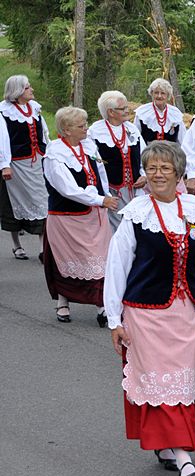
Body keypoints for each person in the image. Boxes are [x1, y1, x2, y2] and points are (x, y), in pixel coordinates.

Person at [104, 141, 195, 476]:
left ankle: (167, 446)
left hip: (189, 314)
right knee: (159, 382)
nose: (158, 174)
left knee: (179, 384)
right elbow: (116, 267)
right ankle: (184, 458)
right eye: (151, 168)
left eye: (165, 168)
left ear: (178, 173)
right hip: (145, 315)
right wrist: (114, 320)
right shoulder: (135, 213)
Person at [42, 107, 118, 325]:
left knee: (100, 259)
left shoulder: (88, 146)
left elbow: (100, 173)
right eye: (80, 125)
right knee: (69, 259)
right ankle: (63, 301)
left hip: (94, 216)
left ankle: (102, 306)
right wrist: (99, 200)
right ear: (66, 130)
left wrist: (106, 195)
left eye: (85, 124)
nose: (86, 128)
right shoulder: (55, 154)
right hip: (67, 217)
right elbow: (67, 188)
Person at [0, 75, 49, 260]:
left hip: (37, 162)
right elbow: (2, 140)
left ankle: (43, 248)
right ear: (18, 91)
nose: (32, 90)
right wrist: (5, 165)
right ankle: (16, 245)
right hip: (17, 164)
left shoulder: (34, 108)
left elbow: (44, 134)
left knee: (41, 202)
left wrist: (49, 155)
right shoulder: (4, 112)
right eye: (28, 88)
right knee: (14, 202)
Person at [88, 90, 147, 231]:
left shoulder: (131, 129)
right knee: (115, 226)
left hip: (134, 188)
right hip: (110, 189)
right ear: (111, 112)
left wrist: (144, 174)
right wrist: (104, 165)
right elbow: (91, 158)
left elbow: (144, 154)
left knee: (135, 224)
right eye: (123, 108)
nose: (127, 111)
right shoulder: (95, 131)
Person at [134, 78, 185, 144]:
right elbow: (136, 138)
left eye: (163, 93)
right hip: (148, 153)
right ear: (151, 94)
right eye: (156, 93)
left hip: (171, 153)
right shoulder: (142, 112)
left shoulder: (175, 113)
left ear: (168, 95)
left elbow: (183, 140)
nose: (159, 96)